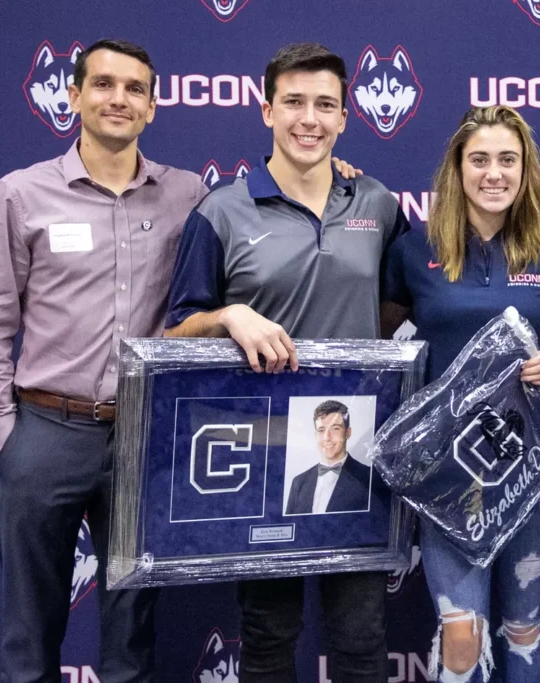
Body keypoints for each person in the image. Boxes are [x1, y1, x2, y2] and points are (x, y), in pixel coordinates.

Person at [0, 39, 208, 683]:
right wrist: (1, 433)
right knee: (29, 631)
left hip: (143, 434)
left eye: (133, 89)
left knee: (132, 632)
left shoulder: (187, 194)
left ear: (153, 107)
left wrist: (336, 169)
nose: (118, 99)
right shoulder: (22, 194)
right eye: (102, 85)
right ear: (73, 97)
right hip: (44, 432)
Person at [164, 43, 409, 683]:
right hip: (263, 454)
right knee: (269, 636)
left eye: (325, 104)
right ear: (267, 109)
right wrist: (228, 317)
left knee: (360, 636)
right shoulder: (221, 211)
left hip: (353, 449)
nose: (310, 119)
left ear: (345, 116)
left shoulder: (378, 205)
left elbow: (406, 304)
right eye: (295, 102)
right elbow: (177, 333)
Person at [381, 104, 540, 683]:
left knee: (526, 624)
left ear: (527, 172)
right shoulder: (413, 250)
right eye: (480, 159)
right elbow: (382, 341)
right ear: (457, 168)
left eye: (508, 160)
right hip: (447, 473)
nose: (493, 173)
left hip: (526, 467)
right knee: (459, 633)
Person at [286, 400, 372, 515]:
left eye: (335, 428)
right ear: (315, 435)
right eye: (321, 430)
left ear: (347, 433)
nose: (327, 437)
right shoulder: (299, 482)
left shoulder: (369, 477)